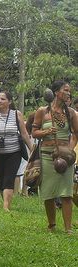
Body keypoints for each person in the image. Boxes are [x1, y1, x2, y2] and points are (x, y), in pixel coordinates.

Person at [32, 80, 78, 234]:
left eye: (69, 91)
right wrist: (45, 132)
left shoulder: (71, 113)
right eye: (65, 90)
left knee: (66, 193)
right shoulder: (42, 111)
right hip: (47, 156)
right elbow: (34, 132)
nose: (68, 93)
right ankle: (52, 225)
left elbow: (76, 134)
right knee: (48, 192)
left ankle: (68, 228)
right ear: (56, 92)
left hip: (65, 158)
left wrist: (69, 151)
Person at [0, 91, 33, 211]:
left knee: (9, 178)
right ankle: (5, 200)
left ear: (9, 101)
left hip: (13, 152)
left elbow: (24, 134)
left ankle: (6, 206)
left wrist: (32, 151)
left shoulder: (16, 114)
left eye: (3, 99)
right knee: (0, 178)